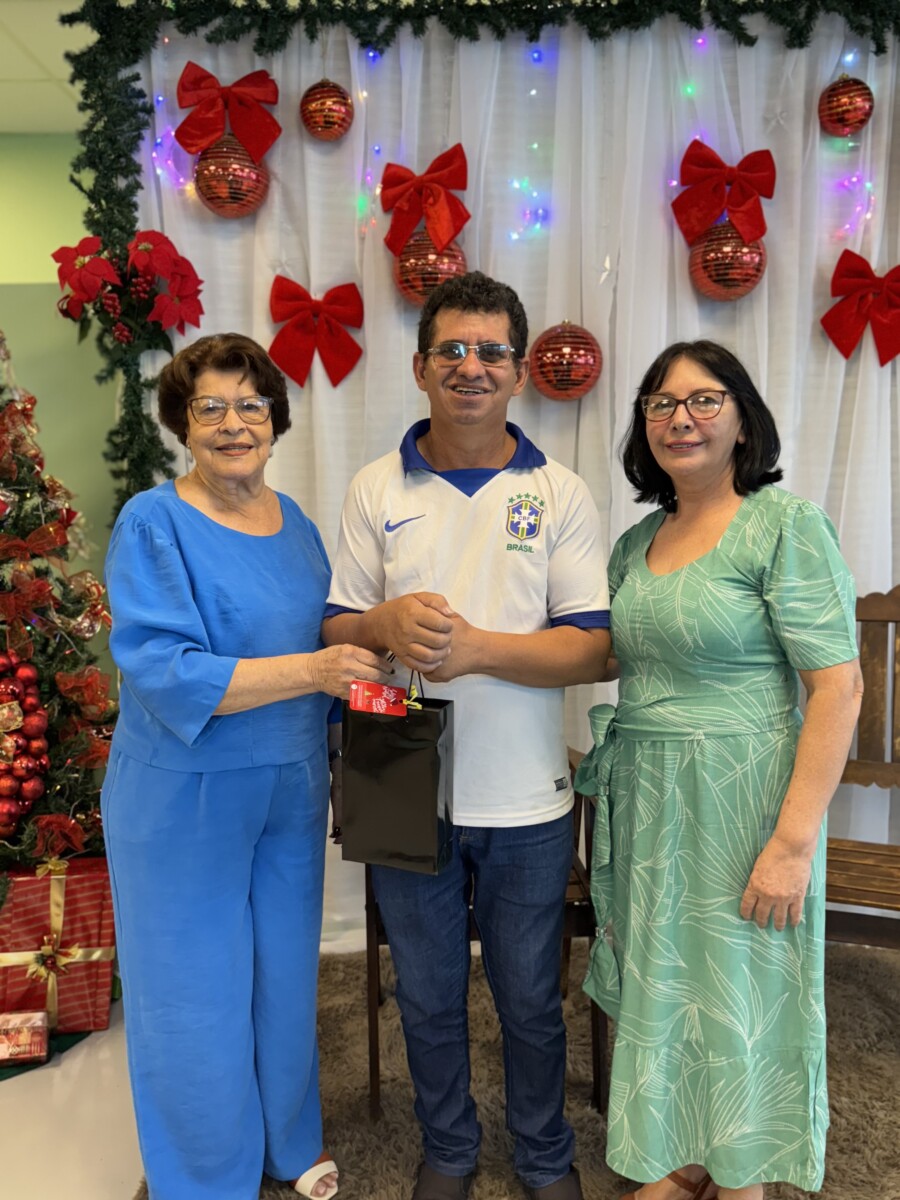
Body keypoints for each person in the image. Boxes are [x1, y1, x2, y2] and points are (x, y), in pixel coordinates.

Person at [322, 272, 611, 1200]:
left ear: (519, 372)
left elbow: (593, 647)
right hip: (400, 782)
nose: (470, 366)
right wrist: (382, 622)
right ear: (420, 368)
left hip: (526, 797)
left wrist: (479, 649)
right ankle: (448, 1148)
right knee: (427, 993)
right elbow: (336, 627)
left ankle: (543, 1153)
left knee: (530, 998)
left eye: (491, 351)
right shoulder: (376, 486)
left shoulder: (559, 492)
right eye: (451, 349)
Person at [100, 333, 393, 1200]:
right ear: (182, 424)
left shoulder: (296, 524)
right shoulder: (153, 522)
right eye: (211, 407)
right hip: (183, 795)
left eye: (251, 404)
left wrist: (378, 683)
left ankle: (287, 1144)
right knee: (194, 992)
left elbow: (327, 646)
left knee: (283, 975)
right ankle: (204, 1177)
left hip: (290, 786)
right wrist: (316, 671)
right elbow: (166, 671)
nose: (234, 424)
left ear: (275, 418)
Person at [575, 340, 863, 1200]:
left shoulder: (784, 526)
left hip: (746, 801)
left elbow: (838, 687)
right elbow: (609, 657)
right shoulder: (634, 544)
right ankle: (687, 1158)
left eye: (704, 399)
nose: (681, 418)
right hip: (651, 799)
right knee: (671, 984)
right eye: (661, 403)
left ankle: (745, 1175)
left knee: (741, 986)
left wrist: (793, 844)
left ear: (743, 419)